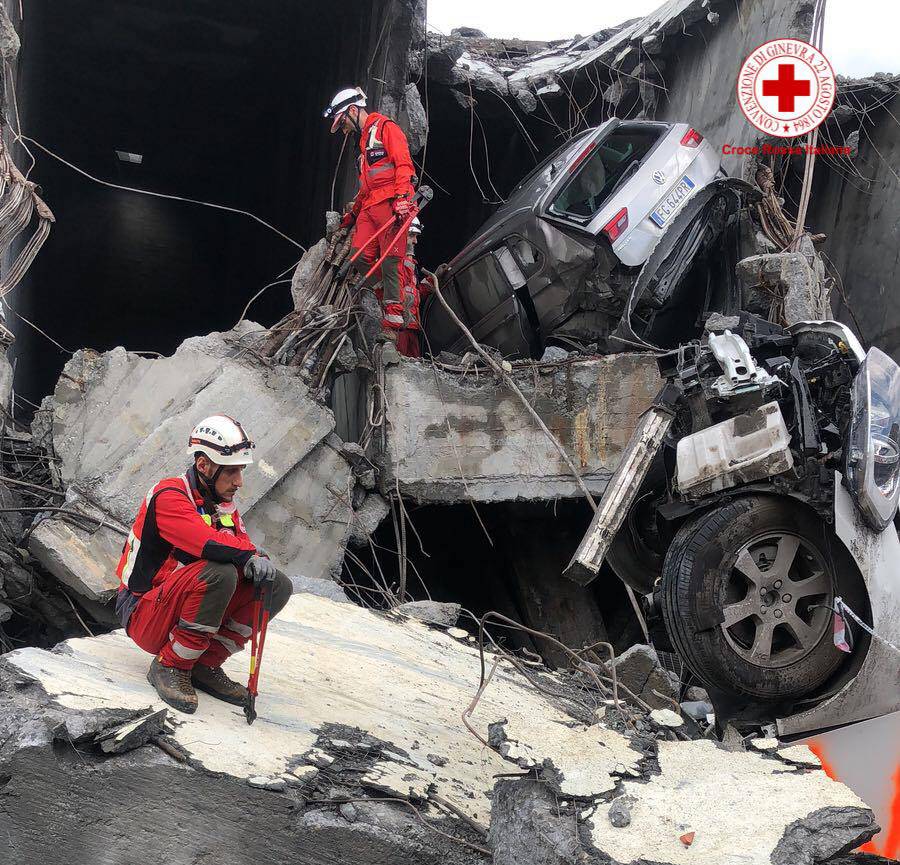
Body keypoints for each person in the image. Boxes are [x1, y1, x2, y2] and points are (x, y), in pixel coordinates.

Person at [114, 415, 293, 715]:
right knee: (219, 571)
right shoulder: (169, 495)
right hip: (142, 610)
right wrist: (248, 553)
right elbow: (205, 542)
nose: (239, 481)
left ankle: (205, 663)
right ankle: (170, 665)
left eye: (241, 471)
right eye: (232, 471)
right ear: (203, 466)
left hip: (173, 605)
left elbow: (239, 547)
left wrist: (254, 558)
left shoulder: (222, 503)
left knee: (276, 584)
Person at [324, 86, 417, 339]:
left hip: (390, 203)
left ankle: (393, 321)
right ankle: (383, 293)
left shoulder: (387, 128)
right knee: (359, 255)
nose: (343, 129)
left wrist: (401, 198)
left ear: (353, 110)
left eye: (343, 121)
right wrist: (352, 215)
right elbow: (366, 187)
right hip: (371, 205)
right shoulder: (365, 144)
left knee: (390, 260)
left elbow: (404, 165)